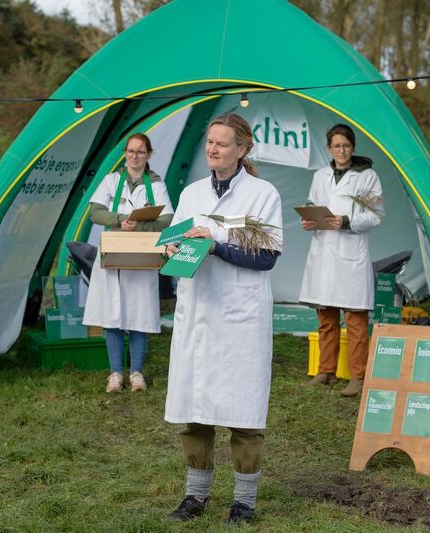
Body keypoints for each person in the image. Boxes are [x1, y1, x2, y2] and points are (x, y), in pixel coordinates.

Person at [164, 113, 283, 525]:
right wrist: (172, 250)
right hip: (198, 313)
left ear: (242, 149)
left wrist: (215, 245)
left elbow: (267, 257)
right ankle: (195, 496)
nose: (212, 149)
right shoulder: (193, 193)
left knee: (243, 413)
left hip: (240, 317)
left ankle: (244, 502)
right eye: (210, 142)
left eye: (222, 143)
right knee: (194, 408)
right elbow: (181, 244)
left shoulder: (262, 194)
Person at [82, 133, 174, 393]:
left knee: (140, 313)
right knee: (111, 314)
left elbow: (168, 217)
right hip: (113, 253)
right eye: (131, 151)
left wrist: (142, 223)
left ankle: (136, 373)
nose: (135, 156)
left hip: (142, 253)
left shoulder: (156, 185)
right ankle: (114, 373)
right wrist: (120, 219)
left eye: (141, 152)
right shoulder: (112, 180)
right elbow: (95, 212)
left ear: (149, 155)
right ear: (125, 153)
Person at [299, 123, 384, 397]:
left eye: (346, 145)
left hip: (351, 252)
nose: (342, 150)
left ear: (353, 147)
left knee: (356, 319)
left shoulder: (367, 176)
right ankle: (326, 372)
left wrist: (346, 221)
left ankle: (357, 376)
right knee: (325, 317)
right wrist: (310, 221)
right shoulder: (319, 175)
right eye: (336, 146)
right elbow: (313, 204)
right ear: (329, 148)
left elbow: (376, 215)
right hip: (323, 251)